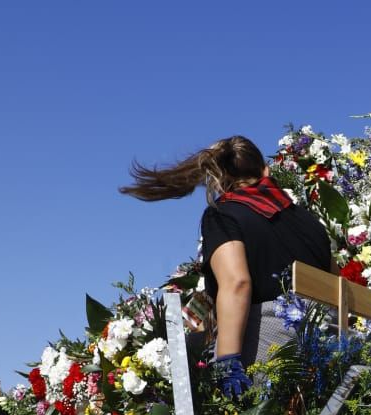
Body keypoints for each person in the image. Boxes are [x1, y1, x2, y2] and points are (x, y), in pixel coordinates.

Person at [121, 136, 332, 398]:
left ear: (218, 179)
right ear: (265, 171)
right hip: (328, 356)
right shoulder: (310, 222)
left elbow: (237, 283)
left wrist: (228, 361)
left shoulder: (224, 214)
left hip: (274, 357)